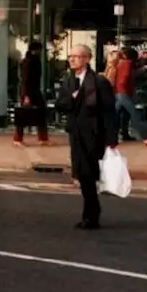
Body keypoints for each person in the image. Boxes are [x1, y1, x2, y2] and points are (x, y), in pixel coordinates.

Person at [55, 44, 119, 230]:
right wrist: (73, 99)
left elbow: (109, 112)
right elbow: (60, 105)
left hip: (94, 134)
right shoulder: (69, 80)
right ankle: (90, 213)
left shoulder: (99, 82)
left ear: (86, 59)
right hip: (76, 134)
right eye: (70, 56)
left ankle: (91, 216)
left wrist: (111, 139)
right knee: (83, 174)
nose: (72, 59)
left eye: (76, 56)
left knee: (88, 173)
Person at [114, 47, 147, 146]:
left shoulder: (120, 63)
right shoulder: (127, 63)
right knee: (135, 114)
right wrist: (142, 70)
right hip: (123, 93)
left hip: (119, 92)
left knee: (119, 116)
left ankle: (120, 135)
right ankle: (146, 137)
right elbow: (127, 76)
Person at [14, 41, 49, 146]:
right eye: (40, 49)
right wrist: (26, 96)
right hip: (29, 91)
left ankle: (43, 138)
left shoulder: (34, 60)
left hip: (34, 90)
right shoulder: (28, 62)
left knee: (41, 113)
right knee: (23, 115)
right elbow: (25, 79)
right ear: (36, 50)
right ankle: (18, 139)